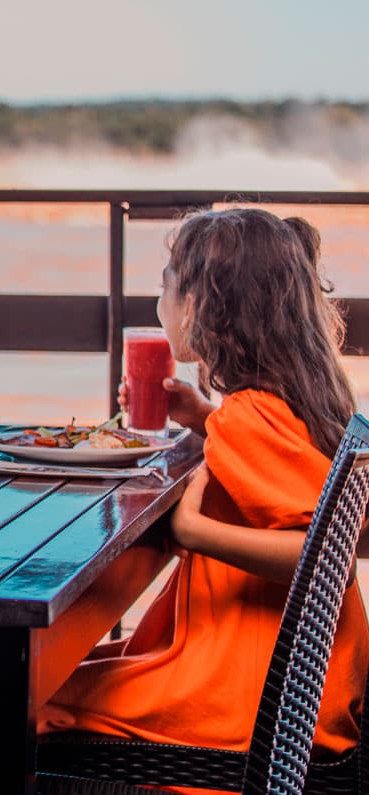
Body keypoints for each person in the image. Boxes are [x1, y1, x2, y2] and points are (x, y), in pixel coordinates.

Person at [39, 209, 369, 765]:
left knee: (21, 704)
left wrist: (192, 532)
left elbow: (322, 558)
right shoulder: (282, 405)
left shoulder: (248, 417)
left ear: (201, 306)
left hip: (254, 700)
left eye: (165, 285)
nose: (159, 303)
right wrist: (203, 418)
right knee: (46, 683)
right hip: (307, 687)